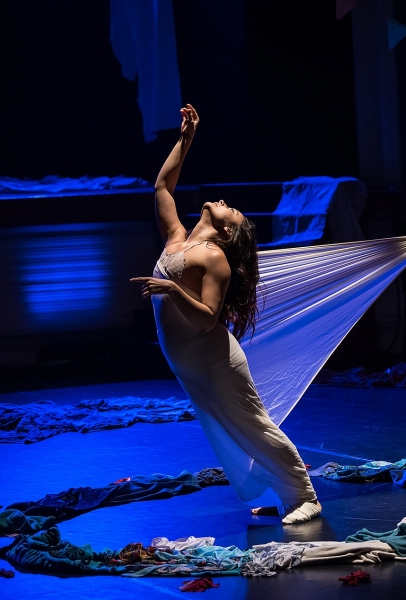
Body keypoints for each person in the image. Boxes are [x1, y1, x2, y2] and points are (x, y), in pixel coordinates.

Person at [131, 104, 321, 523]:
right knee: (227, 428)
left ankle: (305, 496)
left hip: (214, 358)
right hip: (186, 358)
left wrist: (169, 288)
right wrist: (187, 139)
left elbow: (206, 319)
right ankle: (278, 490)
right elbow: (162, 187)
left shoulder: (215, 257)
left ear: (228, 230)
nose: (222, 202)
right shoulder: (178, 238)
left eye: (230, 209)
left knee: (251, 422)